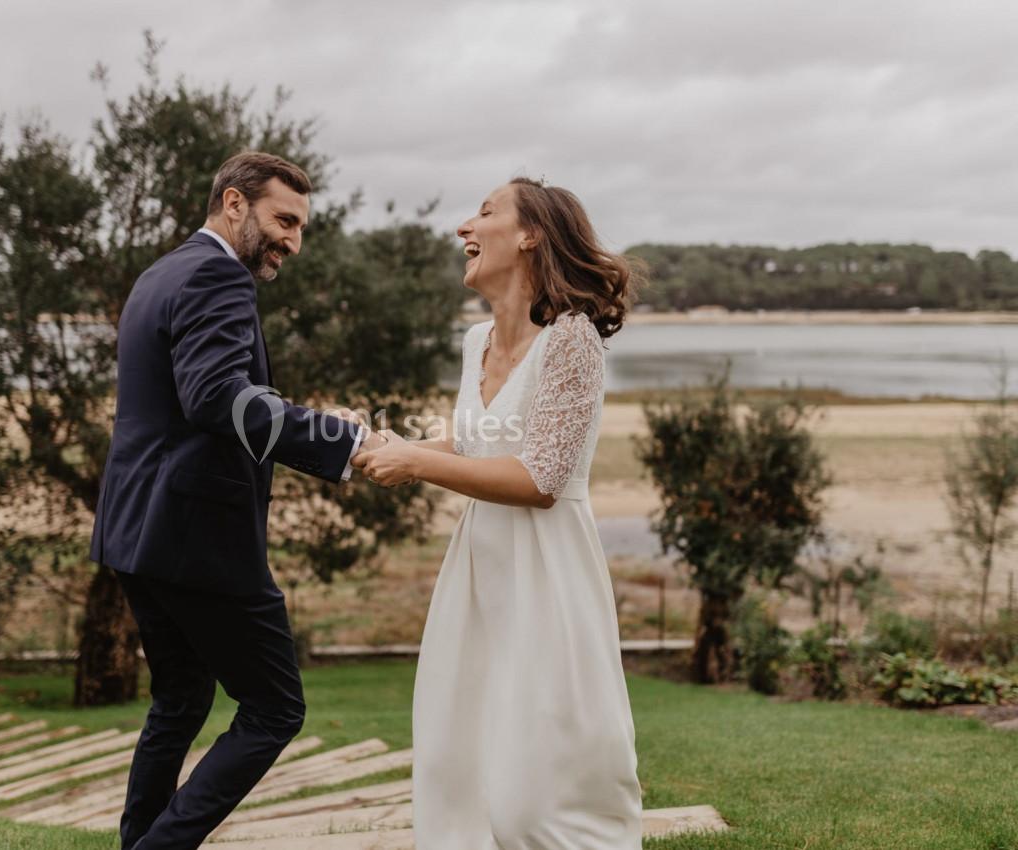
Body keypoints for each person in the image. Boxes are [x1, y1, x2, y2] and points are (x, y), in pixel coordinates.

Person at [88, 151, 385, 850]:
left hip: (135, 531)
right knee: (275, 707)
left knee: (181, 699)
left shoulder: (162, 272)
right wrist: (343, 439)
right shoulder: (218, 275)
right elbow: (217, 397)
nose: (293, 242)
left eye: (301, 227)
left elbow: (204, 394)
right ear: (233, 204)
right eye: (284, 221)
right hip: (198, 538)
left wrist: (301, 415)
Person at [354, 177, 644, 848]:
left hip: (547, 572)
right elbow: (473, 444)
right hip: (479, 572)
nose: (465, 226)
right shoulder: (475, 341)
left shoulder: (571, 340)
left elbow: (541, 477)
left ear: (531, 235)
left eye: (485, 213)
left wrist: (416, 463)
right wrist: (381, 447)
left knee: (538, 786)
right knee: (458, 758)